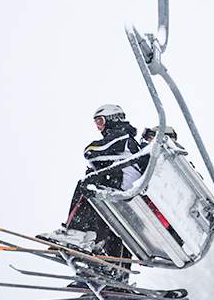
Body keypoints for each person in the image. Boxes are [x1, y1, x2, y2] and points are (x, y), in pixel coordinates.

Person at [38, 104, 147, 260]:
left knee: (86, 185)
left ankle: (75, 233)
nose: (99, 128)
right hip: (129, 193)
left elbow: (91, 151)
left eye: (100, 122)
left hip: (123, 187)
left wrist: (94, 168)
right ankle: (99, 248)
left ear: (112, 119)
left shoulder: (121, 136)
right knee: (111, 221)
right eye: (97, 123)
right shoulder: (128, 141)